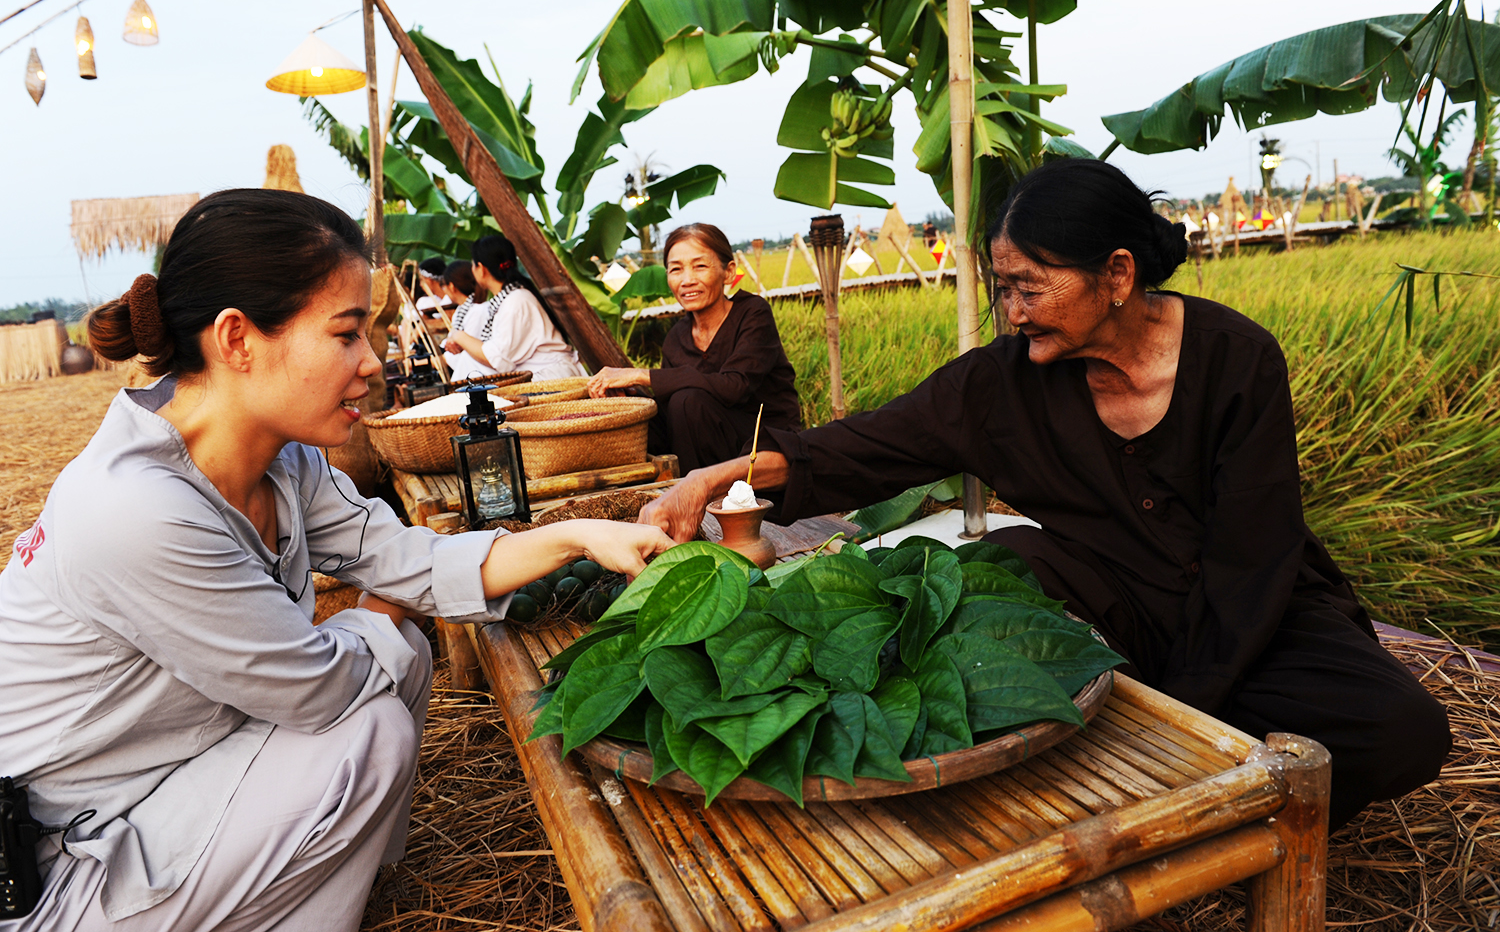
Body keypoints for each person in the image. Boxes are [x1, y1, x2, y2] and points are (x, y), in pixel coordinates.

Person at [639, 160, 1450, 831]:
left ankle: (1236, 813)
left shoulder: (1236, 360)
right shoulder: (1000, 384)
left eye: (1030, 287)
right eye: (1002, 289)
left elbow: (1255, 552)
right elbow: (863, 446)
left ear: (1117, 275)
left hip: (1254, 608)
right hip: (1104, 596)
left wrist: (1185, 710)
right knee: (1005, 565)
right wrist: (715, 477)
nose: (1013, 312)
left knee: (1404, 731)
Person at [0, 189, 672, 931]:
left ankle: (311, 896)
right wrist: (382, 618)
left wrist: (577, 535)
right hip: (70, 863)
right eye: (347, 334)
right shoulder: (136, 508)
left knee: (395, 658)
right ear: (238, 339)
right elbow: (317, 692)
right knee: (368, 722)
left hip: (173, 791)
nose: (372, 363)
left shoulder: (283, 463)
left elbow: (404, 557)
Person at [586, 223, 801, 472]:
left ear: (729, 272)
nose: (687, 280)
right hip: (704, 446)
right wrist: (630, 395)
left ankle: (693, 492)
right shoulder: (677, 337)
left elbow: (734, 387)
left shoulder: (753, 314)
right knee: (648, 413)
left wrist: (640, 374)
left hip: (763, 443)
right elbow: (669, 413)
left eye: (700, 266)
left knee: (687, 401)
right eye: (676, 269)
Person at [442, 236, 585, 381]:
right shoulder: (510, 298)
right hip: (538, 373)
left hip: (550, 377)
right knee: (470, 362)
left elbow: (497, 359)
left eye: (474, 265)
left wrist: (458, 336)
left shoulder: (516, 300)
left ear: (482, 269)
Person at [439, 259, 491, 383]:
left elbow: (472, 353)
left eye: (444, 286)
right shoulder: (461, 311)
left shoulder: (478, 311)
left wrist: (441, 360)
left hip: (478, 376)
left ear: (451, 286)